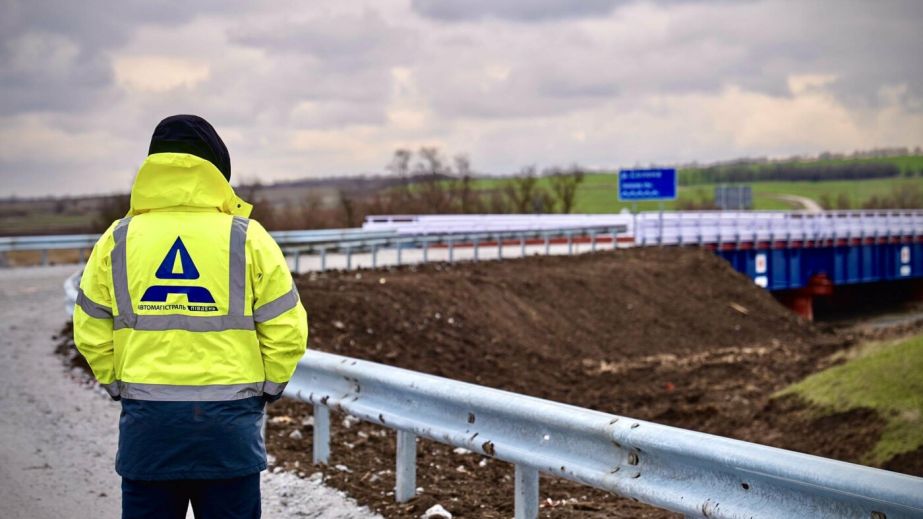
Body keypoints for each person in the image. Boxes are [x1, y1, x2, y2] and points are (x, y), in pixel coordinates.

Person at [72, 114, 308, 518]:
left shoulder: (119, 237)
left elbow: (90, 328)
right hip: (229, 427)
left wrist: (117, 385)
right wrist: (266, 389)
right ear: (217, 169)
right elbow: (286, 328)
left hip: (149, 427)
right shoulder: (247, 236)